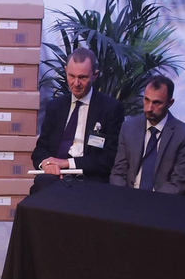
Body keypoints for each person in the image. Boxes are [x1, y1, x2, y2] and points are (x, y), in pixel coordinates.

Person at [30, 47, 125, 191]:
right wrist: (47, 165)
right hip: (55, 177)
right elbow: (40, 149)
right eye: (71, 76)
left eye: (82, 77)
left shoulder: (110, 108)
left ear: (95, 75)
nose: (76, 83)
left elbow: (109, 158)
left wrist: (67, 163)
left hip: (90, 178)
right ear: (66, 70)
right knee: (40, 190)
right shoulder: (55, 106)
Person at [108, 75, 185, 194]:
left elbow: (179, 182)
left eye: (156, 103)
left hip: (162, 203)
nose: (149, 108)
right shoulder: (129, 127)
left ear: (170, 103)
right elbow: (118, 173)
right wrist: (125, 197)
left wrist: (150, 203)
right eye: (146, 100)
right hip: (127, 199)